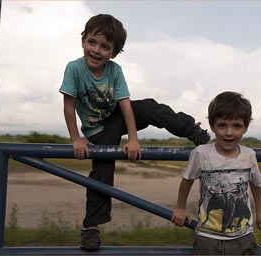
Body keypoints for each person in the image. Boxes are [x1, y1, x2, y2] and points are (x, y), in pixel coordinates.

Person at [59, 14, 210, 250]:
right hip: (97, 132)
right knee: (103, 164)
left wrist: (133, 139)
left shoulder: (115, 71)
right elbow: (68, 105)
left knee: (148, 106)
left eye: (105, 47)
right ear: (83, 41)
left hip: (117, 118)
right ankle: (91, 227)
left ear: (114, 52)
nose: (96, 50)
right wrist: (76, 139)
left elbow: (126, 105)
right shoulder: (74, 69)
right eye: (92, 42)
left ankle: (193, 131)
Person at [171, 91, 261, 255]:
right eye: (222, 125)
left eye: (236, 126)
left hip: (243, 237)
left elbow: (256, 184)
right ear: (212, 126)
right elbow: (186, 181)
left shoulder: (249, 155)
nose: (229, 132)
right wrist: (180, 207)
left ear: (245, 128)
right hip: (207, 237)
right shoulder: (201, 153)